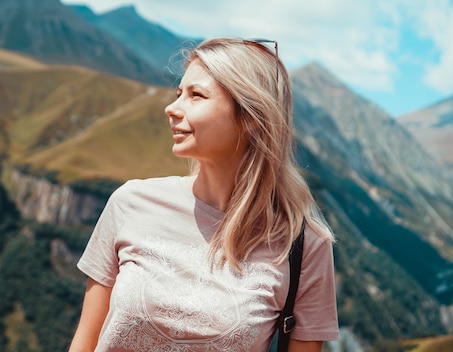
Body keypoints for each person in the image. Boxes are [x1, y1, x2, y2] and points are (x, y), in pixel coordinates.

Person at [68, 37, 339, 352]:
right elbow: (85, 344)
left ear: (251, 116)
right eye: (179, 93)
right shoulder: (130, 203)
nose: (172, 107)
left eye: (196, 95)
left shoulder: (303, 244)